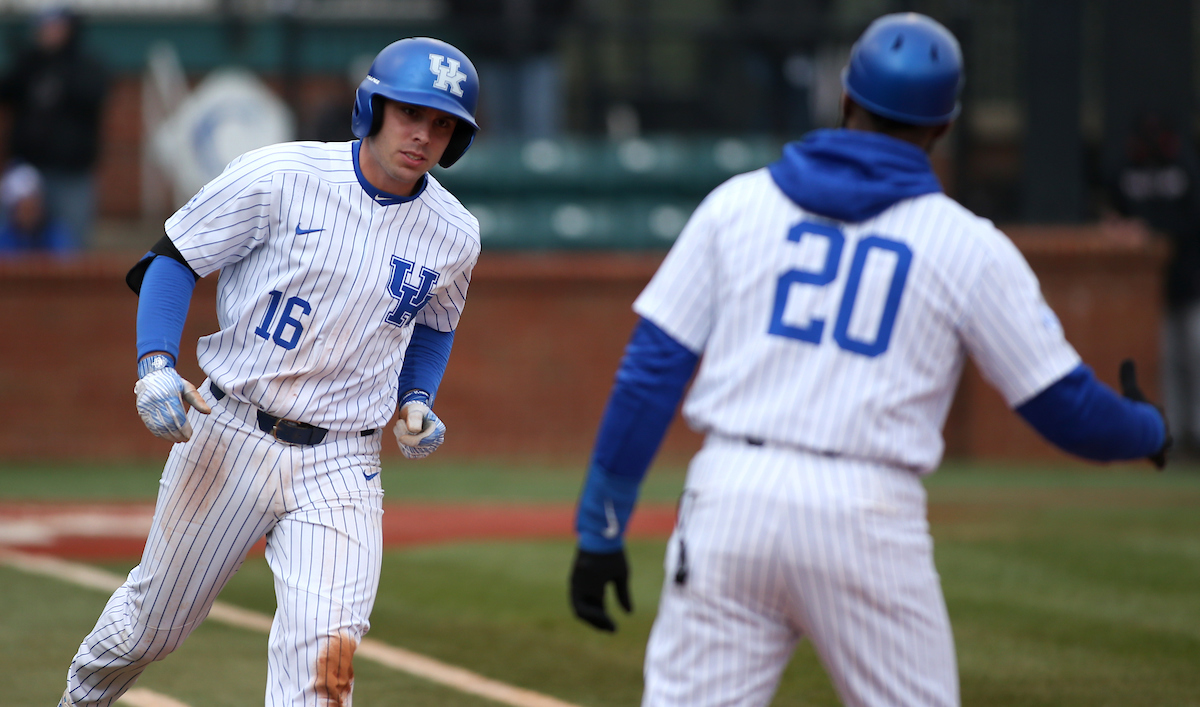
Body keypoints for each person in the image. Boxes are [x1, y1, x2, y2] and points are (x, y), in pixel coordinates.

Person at [568, 13, 1169, 707]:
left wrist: (601, 526)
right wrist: (1148, 428)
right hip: (865, 512)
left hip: (730, 494)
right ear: (942, 127)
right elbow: (1067, 409)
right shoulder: (967, 245)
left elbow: (651, 372)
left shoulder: (736, 205)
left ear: (846, 98)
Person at [57, 37, 481, 707]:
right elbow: (174, 257)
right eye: (410, 114)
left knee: (326, 656)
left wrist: (418, 397)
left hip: (343, 461)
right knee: (148, 630)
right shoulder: (279, 174)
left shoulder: (454, 232)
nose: (423, 134)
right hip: (229, 434)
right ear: (371, 108)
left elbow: (435, 322)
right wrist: (155, 366)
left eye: (442, 123)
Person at [1108, 113, 1200, 456]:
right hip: (1154, 290)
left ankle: (1196, 432)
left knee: (1195, 355)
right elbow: (1115, 212)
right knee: (1168, 360)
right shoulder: (1125, 170)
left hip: (1191, 281)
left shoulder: (1184, 167)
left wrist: (1148, 228)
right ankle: (1177, 434)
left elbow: (1190, 221)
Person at [0, 7, 108, 247]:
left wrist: (59, 67)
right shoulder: (30, 63)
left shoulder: (85, 64)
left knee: (70, 247)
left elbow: (94, 95)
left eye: (55, 25)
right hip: (29, 172)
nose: (48, 32)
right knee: (13, 243)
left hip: (71, 174)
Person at [0, 162, 75, 254]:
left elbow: (67, 261)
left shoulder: (58, 235)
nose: (30, 214)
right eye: (24, 209)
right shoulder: (4, 239)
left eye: (33, 207)